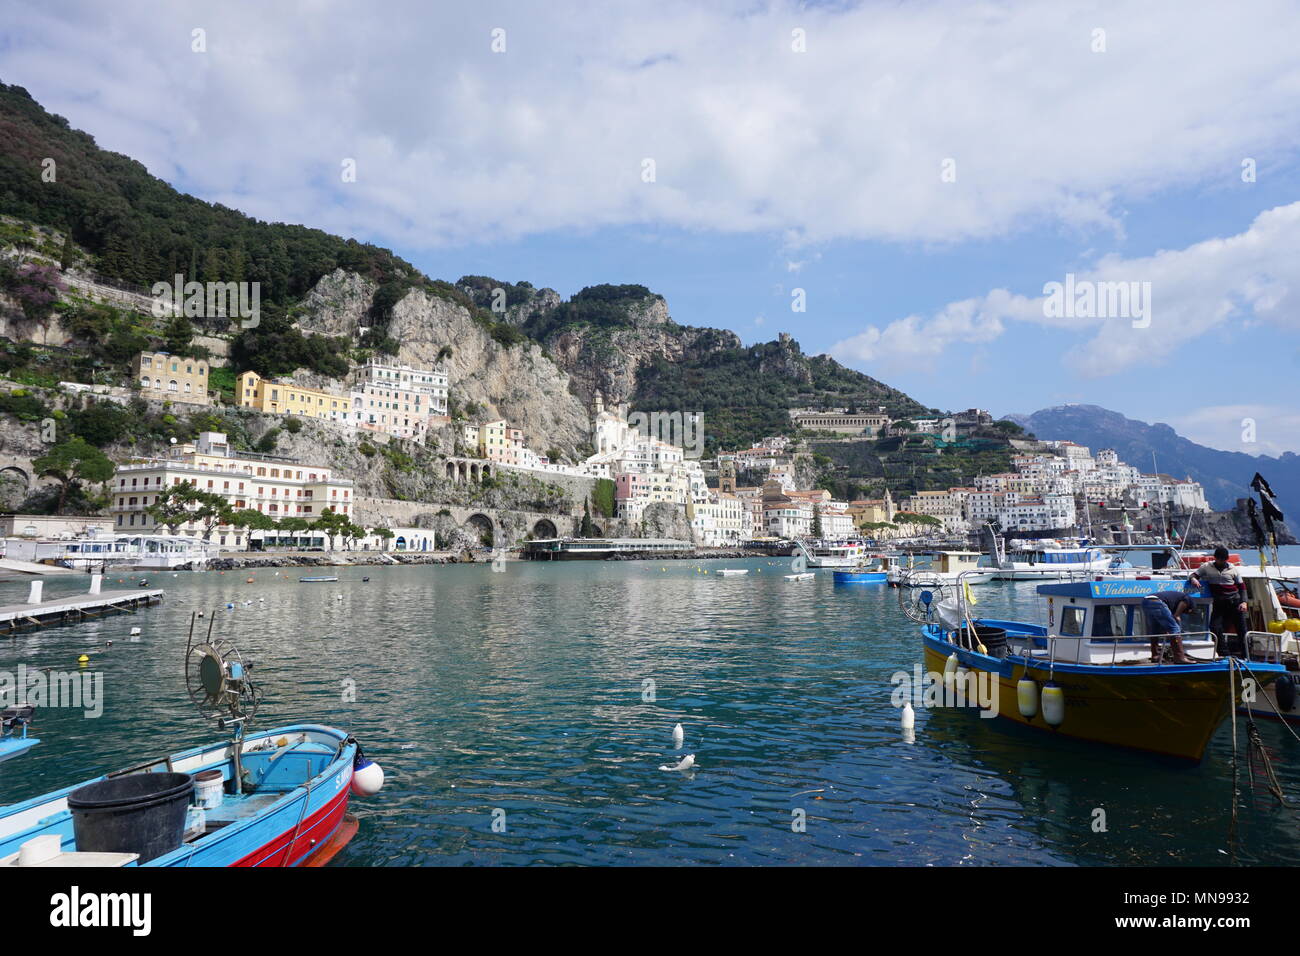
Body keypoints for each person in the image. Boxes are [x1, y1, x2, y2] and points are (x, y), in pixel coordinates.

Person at [1189, 547, 1251, 656]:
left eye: (1223, 559)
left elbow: (1242, 587)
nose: (1221, 561)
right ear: (1215, 558)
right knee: (1214, 626)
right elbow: (1194, 575)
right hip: (1219, 602)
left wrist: (1244, 602)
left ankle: (1246, 655)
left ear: (1227, 559)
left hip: (1234, 602)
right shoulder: (1207, 567)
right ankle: (1224, 653)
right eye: (1219, 559)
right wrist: (1193, 579)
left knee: (1241, 629)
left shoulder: (1233, 569)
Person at [1141, 590, 1198, 663]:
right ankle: (1179, 657)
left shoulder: (1172, 603)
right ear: (1190, 609)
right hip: (1157, 601)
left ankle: (1155, 656)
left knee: (1155, 629)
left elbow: (1164, 618)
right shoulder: (1190, 601)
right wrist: (1177, 615)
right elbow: (1184, 602)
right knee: (1175, 629)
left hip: (1146, 601)